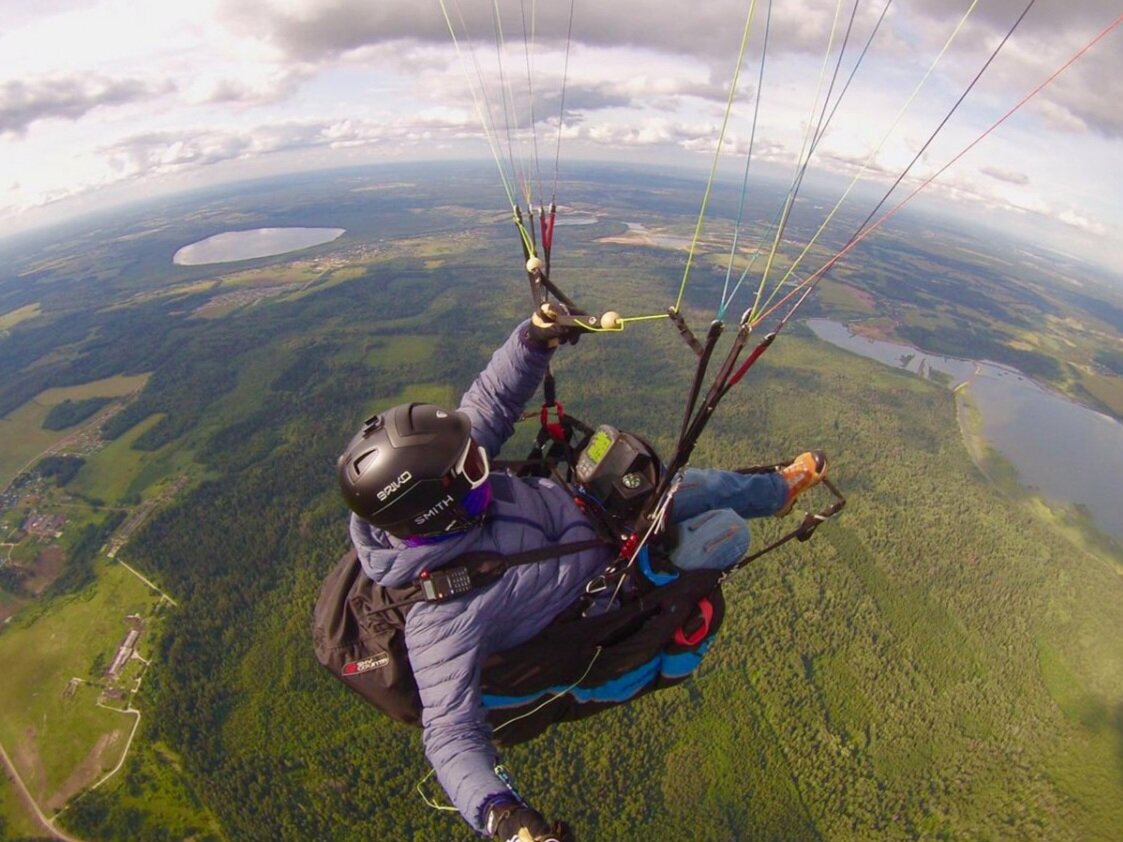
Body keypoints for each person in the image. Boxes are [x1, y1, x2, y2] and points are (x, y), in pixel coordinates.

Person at [336, 312, 827, 841]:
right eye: (474, 468)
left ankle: (779, 492)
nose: (484, 457)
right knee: (726, 532)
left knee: (690, 485)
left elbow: (491, 402)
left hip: (591, 514)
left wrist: (532, 339)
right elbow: (450, 735)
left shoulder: (447, 479)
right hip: (613, 584)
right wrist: (503, 816)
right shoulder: (441, 619)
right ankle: (749, 516)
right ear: (438, 512)